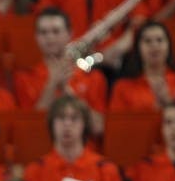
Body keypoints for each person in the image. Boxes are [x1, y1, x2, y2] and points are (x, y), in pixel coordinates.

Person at [24, 95, 124, 181]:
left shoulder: (104, 168)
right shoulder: (36, 169)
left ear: (85, 124)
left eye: (74, 118)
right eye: (61, 118)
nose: (67, 124)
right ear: (51, 124)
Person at [12, 7, 109, 137]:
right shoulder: (23, 78)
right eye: (43, 32)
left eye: (56, 31)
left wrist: (67, 91)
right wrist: (52, 84)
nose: (50, 37)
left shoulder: (93, 78)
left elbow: (98, 127)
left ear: (70, 33)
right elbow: (31, 129)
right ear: (36, 37)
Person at [109, 21, 175, 112]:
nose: (154, 45)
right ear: (138, 48)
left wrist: (168, 102)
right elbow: (117, 125)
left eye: (159, 40)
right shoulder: (122, 87)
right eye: (147, 41)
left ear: (169, 46)